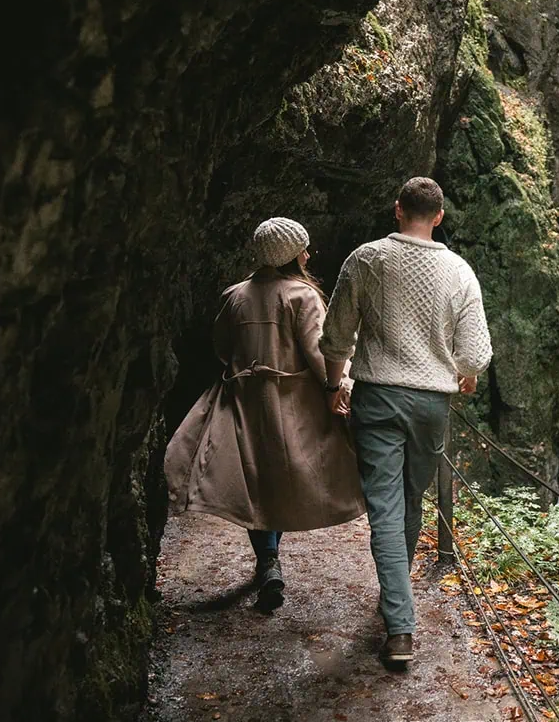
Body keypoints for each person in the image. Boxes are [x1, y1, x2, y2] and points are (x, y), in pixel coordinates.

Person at [320, 177, 492, 664]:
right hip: (432, 406)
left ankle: (399, 619)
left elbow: (336, 337)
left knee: (386, 509)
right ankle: (399, 612)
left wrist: (335, 386)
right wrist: (462, 371)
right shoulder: (459, 270)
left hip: (376, 398)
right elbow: (475, 353)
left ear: (398, 210)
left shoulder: (367, 259)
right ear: (438, 217)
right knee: (408, 500)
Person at [165, 217, 365, 607]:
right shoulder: (301, 296)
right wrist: (335, 388)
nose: (308, 253)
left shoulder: (234, 296)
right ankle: (271, 560)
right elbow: (320, 353)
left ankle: (268, 560)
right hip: (293, 401)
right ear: (292, 255)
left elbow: (223, 347)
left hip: (243, 398)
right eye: (303, 247)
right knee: (283, 478)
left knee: (255, 480)